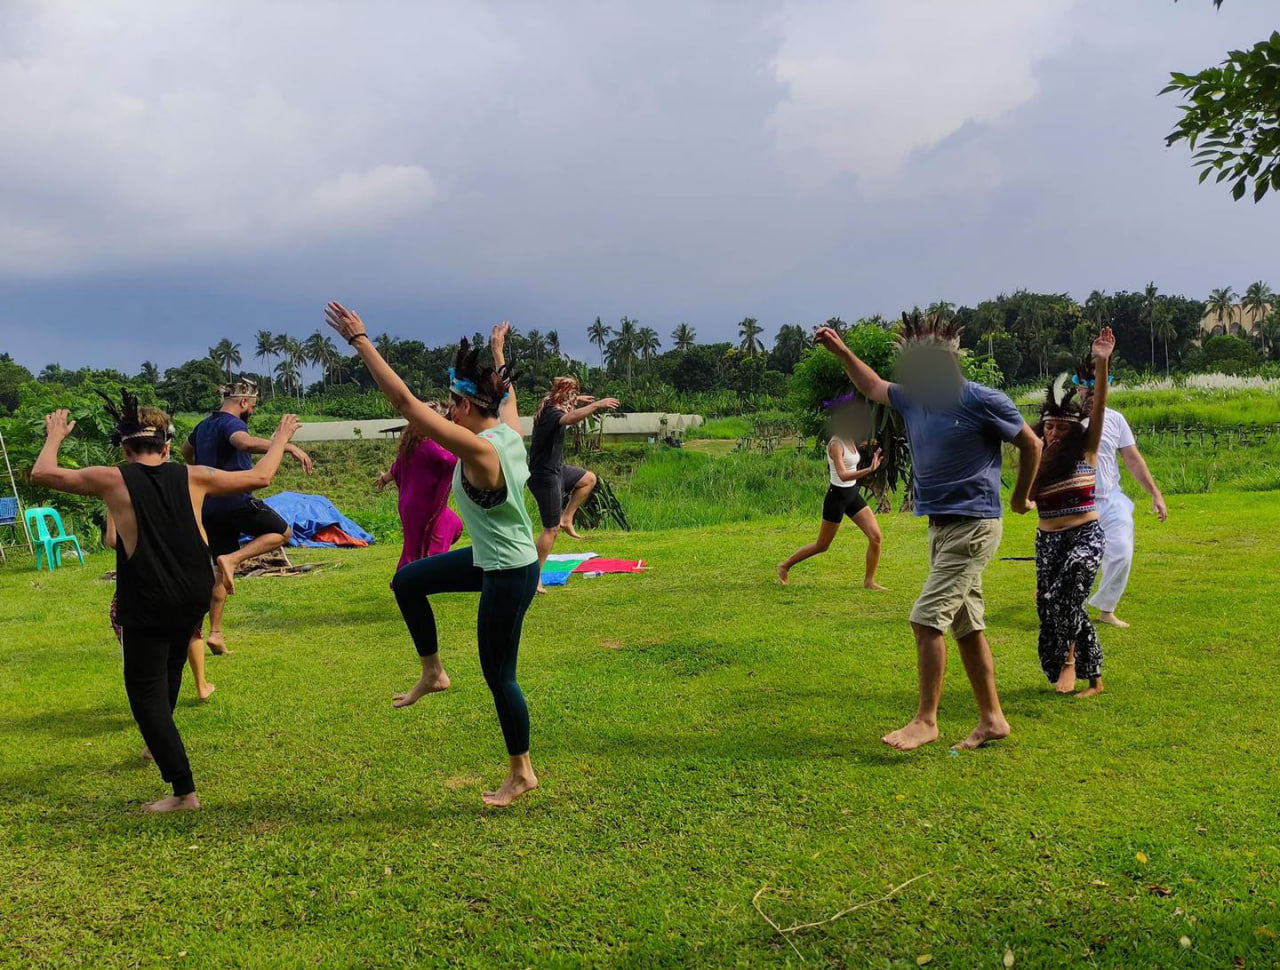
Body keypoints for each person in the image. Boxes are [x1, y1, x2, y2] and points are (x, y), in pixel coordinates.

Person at [31, 392, 299, 812]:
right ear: (168, 447)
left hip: (148, 593)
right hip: (195, 589)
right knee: (171, 666)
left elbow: (42, 473)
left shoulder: (112, 478)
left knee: (144, 693)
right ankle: (159, 745)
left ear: (125, 448)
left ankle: (183, 792)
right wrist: (281, 437)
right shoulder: (194, 475)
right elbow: (262, 477)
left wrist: (54, 435)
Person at [326, 303, 541, 808]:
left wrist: (361, 341)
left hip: (510, 570)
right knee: (408, 582)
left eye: (449, 405)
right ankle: (433, 671)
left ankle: (522, 772)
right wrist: (496, 353)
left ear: (466, 409)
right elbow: (506, 392)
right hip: (493, 557)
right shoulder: (507, 430)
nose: (444, 412)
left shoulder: (482, 450)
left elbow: (404, 403)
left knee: (500, 676)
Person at [815, 312, 1042, 751]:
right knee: (968, 626)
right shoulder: (913, 398)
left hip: (974, 525)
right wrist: (842, 351)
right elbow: (872, 386)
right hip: (941, 528)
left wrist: (1018, 499)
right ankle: (993, 719)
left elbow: (1031, 443)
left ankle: (926, 720)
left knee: (925, 619)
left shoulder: (982, 400)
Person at [184, 379, 313, 653]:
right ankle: (234, 558)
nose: (251, 410)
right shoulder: (232, 424)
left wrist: (203, 474)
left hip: (210, 506)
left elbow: (186, 451)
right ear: (243, 402)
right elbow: (241, 443)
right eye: (252, 406)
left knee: (219, 573)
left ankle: (216, 633)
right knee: (282, 532)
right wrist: (283, 444)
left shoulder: (203, 426)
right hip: (236, 500)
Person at [1032, 329, 1115, 698]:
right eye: (1048, 427)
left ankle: (1078, 667)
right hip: (1048, 539)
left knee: (1067, 597)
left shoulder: (1087, 451)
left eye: (1060, 428)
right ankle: (1087, 674)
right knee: (1048, 605)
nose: (1052, 434)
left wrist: (1101, 362)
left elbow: (1096, 409)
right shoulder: (1035, 457)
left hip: (1085, 535)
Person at [1078, 376, 1168, 629]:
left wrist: (1155, 492)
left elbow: (1132, 458)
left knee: (1121, 554)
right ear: (1078, 390)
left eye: (1099, 389)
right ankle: (1067, 604)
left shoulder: (1115, 419)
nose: (1092, 394)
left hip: (1111, 498)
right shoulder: (1069, 421)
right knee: (1079, 558)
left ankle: (1107, 609)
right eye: (1088, 388)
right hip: (1078, 501)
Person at [106, 506, 216, 702]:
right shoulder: (179, 485)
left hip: (141, 580)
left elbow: (113, 539)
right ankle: (201, 685)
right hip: (181, 577)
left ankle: (151, 697)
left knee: (136, 634)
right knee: (191, 629)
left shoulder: (121, 490)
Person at [777, 395, 885, 589]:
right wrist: (869, 470)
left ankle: (869, 581)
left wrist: (866, 447)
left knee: (875, 537)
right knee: (822, 545)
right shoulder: (835, 444)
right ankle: (785, 566)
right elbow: (843, 475)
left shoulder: (850, 439)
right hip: (837, 497)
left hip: (851, 495)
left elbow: (853, 458)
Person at [527, 377, 619, 593]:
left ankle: (567, 517)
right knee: (550, 529)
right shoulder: (551, 412)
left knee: (588, 479)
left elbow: (566, 403)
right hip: (544, 476)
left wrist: (578, 398)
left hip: (557, 471)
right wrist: (595, 405)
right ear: (562, 398)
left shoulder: (551, 401)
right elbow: (569, 419)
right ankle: (534, 578)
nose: (573, 402)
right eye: (571, 398)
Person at [375, 417, 464, 571]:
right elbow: (450, 460)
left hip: (410, 505)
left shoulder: (410, 448)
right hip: (422, 507)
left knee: (452, 524)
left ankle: (421, 571)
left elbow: (395, 469)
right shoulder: (430, 446)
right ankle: (408, 577)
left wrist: (383, 479)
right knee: (417, 548)